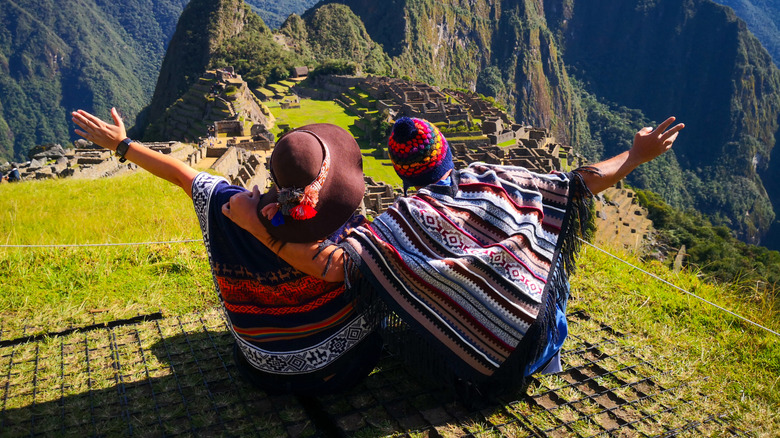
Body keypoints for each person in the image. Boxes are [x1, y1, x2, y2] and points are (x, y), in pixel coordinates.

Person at [223, 115, 684, 395]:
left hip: (478, 372)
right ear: (447, 153)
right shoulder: (496, 177)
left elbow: (333, 265)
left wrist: (258, 227)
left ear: (402, 174)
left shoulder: (401, 221)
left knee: (391, 297)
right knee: (542, 252)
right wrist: (637, 154)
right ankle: (539, 348)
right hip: (533, 343)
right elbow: (580, 182)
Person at [71, 108, 382, 395]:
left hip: (266, 370)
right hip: (346, 365)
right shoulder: (348, 230)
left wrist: (122, 144)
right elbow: (338, 268)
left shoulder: (229, 208)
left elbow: (181, 174)